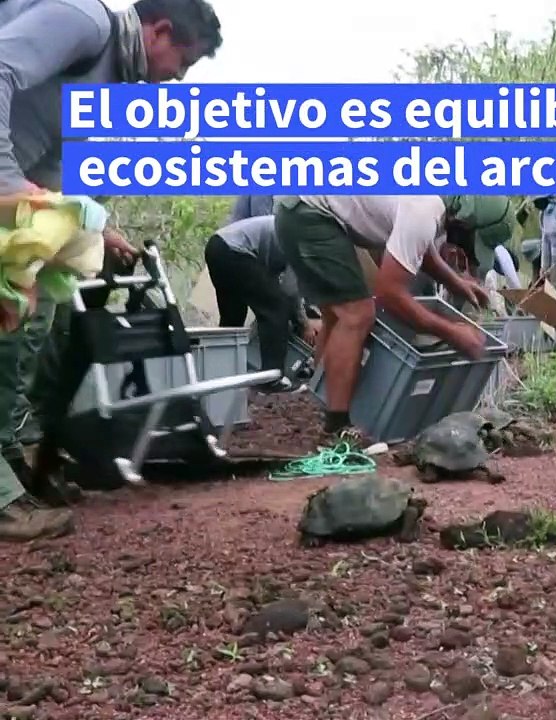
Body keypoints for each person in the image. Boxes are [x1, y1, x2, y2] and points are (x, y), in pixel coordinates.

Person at [0, 0, 222, 542]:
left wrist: (94, 230)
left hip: (26, 220)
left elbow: (65, 166)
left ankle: (12, 464)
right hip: (9, 199)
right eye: (183, 63)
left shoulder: (120, 88)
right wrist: (6, 184)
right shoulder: (84, 22)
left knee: (27, 333)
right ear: (160, 30)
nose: (176, 78)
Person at [273, 195, 507, 436]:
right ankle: (337, 425)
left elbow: (420, 248)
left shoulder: (428, 201)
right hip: (309, 215)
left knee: (336, 316)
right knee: (357, 315)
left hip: (298, 209)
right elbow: (389, 294)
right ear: (465, 219)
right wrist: (452, 332)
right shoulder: (424, 209)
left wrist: (455, 282)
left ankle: (322, 401)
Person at [203, 215, 318, 392]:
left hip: (217, 246)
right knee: (276, 309)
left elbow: (271, 279)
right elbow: (289, 292)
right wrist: (304, 323)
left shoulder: (294, 229)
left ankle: (216, 371)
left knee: (233, 316)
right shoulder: (303, 242)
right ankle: (271, 379)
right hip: (235, 250)